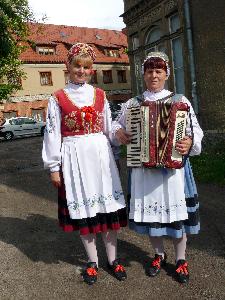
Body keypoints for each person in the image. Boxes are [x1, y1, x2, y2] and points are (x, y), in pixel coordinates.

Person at [112, 51, 203, 284]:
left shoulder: (180, 101)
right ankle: (158, 255)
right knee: (152, 217)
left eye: (158, 71)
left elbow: (196, 131)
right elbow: (115, 126)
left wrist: (190, 141)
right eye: (150, 71)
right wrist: (118, 132)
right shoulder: (133, 104)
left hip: (173, 172)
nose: (154, 75)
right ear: (143, 75)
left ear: (166, 74)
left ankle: (181, 259)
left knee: (177, 217)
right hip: (143, 171)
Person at [42, 43, 127, 285]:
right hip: (74, 161)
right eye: (77, 65)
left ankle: (113, 260)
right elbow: (52, 134)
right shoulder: (57, 98)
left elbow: (109, 130)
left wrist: (120, 135)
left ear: (92, 70)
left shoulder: (100, 95)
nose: (81, 70)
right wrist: (53, 167)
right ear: (67, 66)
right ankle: (93, 262)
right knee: (85, 213)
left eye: (86, 67)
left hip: (102, 160)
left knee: (108, 211)